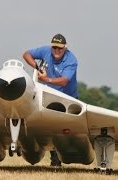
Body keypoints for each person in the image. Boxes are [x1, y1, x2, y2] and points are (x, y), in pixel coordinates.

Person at [22, 33, 79, 166]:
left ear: (65, 48)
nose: (56, 51)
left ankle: (66, 154)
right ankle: (53, 156)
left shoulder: (71, 60)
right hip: (49, 97)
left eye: (60, 48)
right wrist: (37, 68)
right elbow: (26, 54)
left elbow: (64, 81)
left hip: (67, 99)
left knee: (65, 130)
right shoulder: (45, 51)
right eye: (54, 47)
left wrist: (45, 79)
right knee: (52, 127)